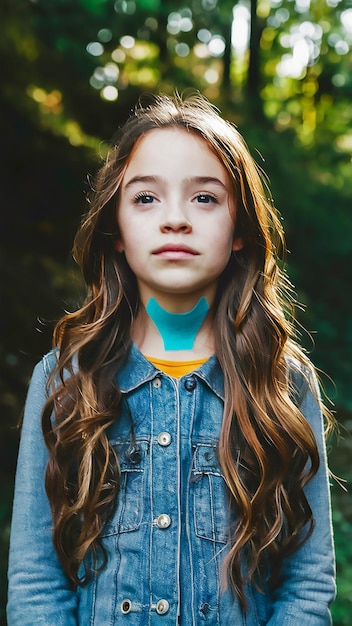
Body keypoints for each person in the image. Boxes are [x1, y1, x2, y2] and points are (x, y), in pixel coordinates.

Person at [7, 93, 336, 625]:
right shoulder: (65, 378)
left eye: (205, 199)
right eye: (146, 199)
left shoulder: (282, 382)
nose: (176, 220)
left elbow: (306, 581)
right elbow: (36, 581)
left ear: (241, 232)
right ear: (114, 231)